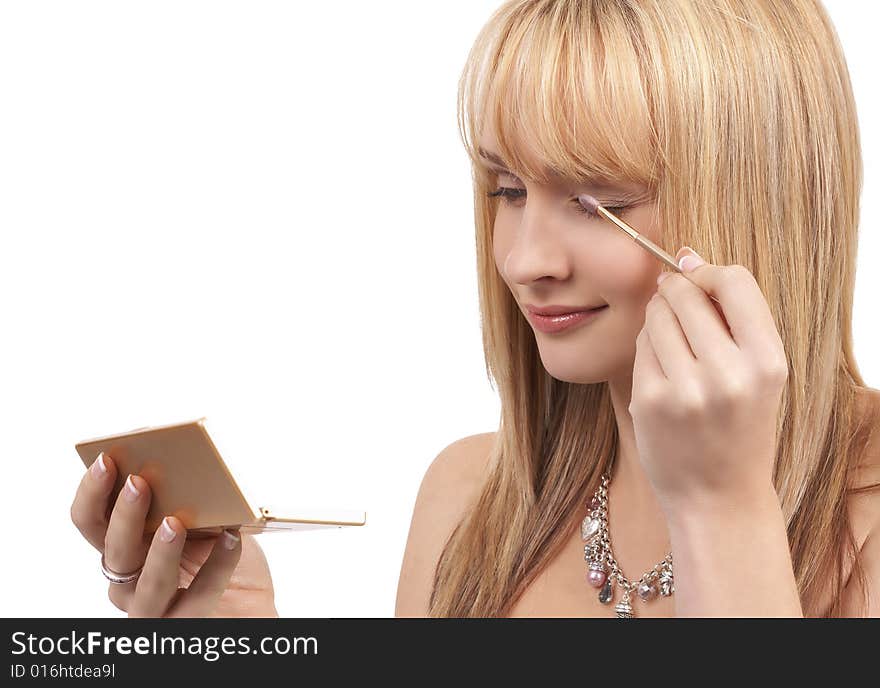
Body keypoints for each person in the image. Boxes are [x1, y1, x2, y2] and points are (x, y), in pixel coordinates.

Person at [71, 0, 880, 618]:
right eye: (508, 190)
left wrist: (722, 509)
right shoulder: (470, 504)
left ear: (765, 202)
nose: (525, 261)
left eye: (599, 201)